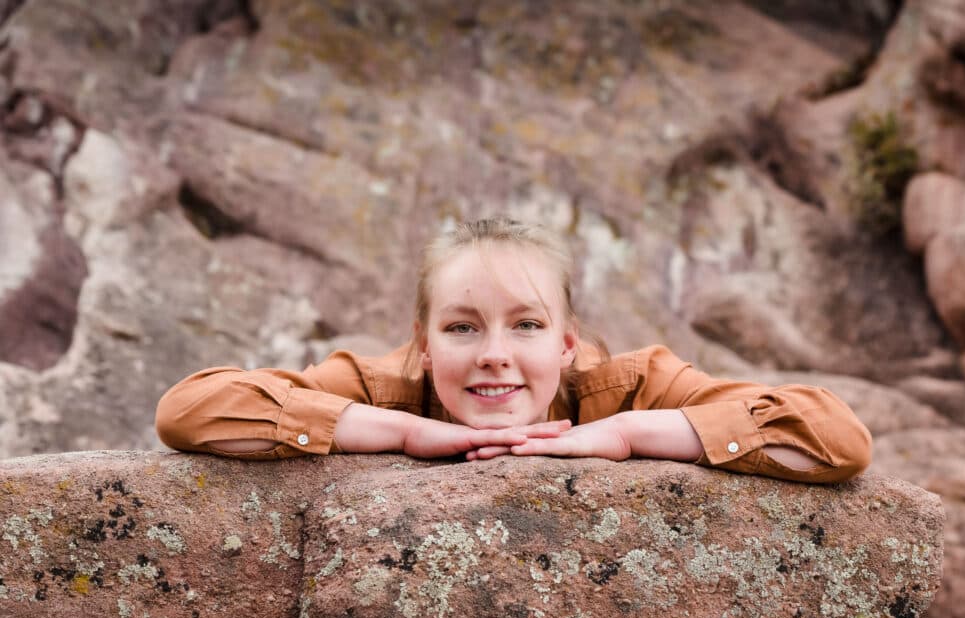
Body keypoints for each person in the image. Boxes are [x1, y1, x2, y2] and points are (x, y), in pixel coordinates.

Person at [155, 218, 871, 483]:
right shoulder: (379, 383)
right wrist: (406, 430)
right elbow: (189, 410)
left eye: (525, 326)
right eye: (462, 328)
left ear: (568, 345)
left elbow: (837, 437)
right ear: (424, 347)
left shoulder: (631, 381)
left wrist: (622, 433)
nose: (494, 354)